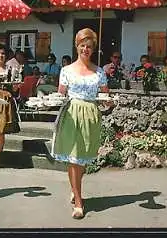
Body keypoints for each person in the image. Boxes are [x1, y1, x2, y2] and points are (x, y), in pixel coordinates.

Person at [51, 28, 109, 219]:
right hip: (72, 114)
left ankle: (74, 188)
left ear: (93, 50)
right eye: (83, 45)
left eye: (89, 46)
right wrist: (50, 101)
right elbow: (61, 94)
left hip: (91, 115)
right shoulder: (66, 70)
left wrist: (107, 102)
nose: (86, 49)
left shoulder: (99, 71)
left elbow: (105, 96)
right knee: (74, 158)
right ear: (77, 47)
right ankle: (78, 201)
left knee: (83, 158)